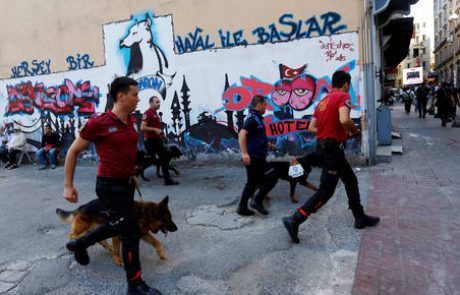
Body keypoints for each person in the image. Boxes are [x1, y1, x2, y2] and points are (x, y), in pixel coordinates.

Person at [63, 77, 162, 295]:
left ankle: (80, 244)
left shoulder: (132, 121)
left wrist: (131, 174)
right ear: (120, 96)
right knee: (130, 232)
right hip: (109, 186)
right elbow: (72, 151)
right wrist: (68, 185)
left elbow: (125, 152)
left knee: (119, 225)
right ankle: (135, 285)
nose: (138, 99)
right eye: (135, 94)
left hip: (126, 183)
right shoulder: (99, 123)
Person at [282, 71, 380, 244]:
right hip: (332, 152)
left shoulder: (322, 102)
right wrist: (354, 131)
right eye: (348, 85)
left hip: (325, 148)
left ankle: (359, 217)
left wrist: (332, 133)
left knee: (350, 180)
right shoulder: (343, 96)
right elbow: (344, 119)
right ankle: (295, 219)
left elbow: (313, 127)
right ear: (346, 84)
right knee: (326, 192)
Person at [236, 95, 278, 216]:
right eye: (265, 104)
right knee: (272, 177)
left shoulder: (257, 118)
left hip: (257, 155)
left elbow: (256, 136)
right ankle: (256, 201)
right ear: (258, 104)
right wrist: (244, 153)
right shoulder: (253, 119)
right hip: (254, 157)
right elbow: (242, 134)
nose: (266, 107)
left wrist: (269, 145)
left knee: (252, 182)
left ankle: (242, 207)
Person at [140, 96, 178, 186]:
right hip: (151, 141)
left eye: (159, 102)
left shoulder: (155, 113)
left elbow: (157, 127)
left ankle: (167, 179)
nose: (159, 104)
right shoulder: (148, 113)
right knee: (152, 159)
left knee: (163, 157)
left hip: (157, 140)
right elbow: (142, 127)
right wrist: (155, 130)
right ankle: (136, 172)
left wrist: (162, 135)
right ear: (151, 103)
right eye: (157, 102)